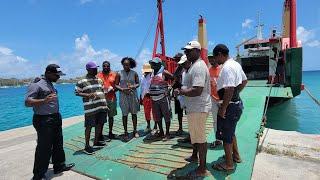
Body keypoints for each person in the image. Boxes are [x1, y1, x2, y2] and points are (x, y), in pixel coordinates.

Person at [25, 64, 74, 180]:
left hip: (55, 117)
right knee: (44, 148)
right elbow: (27, 102)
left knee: (58, 143)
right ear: (48, 73)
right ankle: (38, 175)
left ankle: (59, 166)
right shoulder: (36, 85)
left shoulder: (50, 83)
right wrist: (44, 100)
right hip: (43, 120)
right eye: (57, 75)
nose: (59, 77)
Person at [174, 41, 212, 177]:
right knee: (195, 137)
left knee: (200, 139)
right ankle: (195, 158)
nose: (186, 53)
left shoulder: (199, 67)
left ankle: (202, 169)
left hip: (199, 107)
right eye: (186, 51)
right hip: (193, 108)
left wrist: (181, 92)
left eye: (189, 51)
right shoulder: (193, 66)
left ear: (197, 51)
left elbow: (197, 90)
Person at [211, 44, 247, 172]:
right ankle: (236, 156)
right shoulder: (236, 64)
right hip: (235, 104)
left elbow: (230, 88)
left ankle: (229, 164)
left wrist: (223, 107)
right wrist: (236, 95)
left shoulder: (227, 67)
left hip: (230, 107)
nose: (215, 60)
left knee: (226, 136)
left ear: (220, 54)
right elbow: (244, 81)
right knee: (231, 133)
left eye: (215, 57)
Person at [75, 61, 108, 155]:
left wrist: (105, 105)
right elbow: (77, 92)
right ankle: (86, 146)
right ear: (88, 69)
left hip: (101, 107)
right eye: (93, 69)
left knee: (99, 124)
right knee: (89, 127)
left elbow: (102, 92)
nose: (96, 70)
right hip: (90, 109)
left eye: (96, 68)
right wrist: (88, 95)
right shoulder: (82, 81)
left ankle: (96, 142)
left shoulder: (99, 80)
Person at [115, 57, 140, 141]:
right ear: (122, 64)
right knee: (124, 114)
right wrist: (121, 89)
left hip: (133, 95)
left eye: (128, 64)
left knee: (134, 114)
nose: (126, 66)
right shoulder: (119, 73)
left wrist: (133, 86)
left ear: (130, 65)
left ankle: (135, 130)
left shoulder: (134, 73)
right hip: (123, 96)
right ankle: (125, 131)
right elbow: (116, 84)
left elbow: (138, 83)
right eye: (124, 64)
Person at [149, 57, 173, 141]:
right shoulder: (151, 73)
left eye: (155, 63)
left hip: (163, 97)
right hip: (154, 99)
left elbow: (174, 78)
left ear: (159, 64)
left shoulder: (164, 72)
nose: (153, 65)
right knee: (157, 116)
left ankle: (167, 133)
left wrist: (170, 88)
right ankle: (161, 132)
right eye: (152, 63)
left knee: (166, 115)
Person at [97, 60, 117, 140]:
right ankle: (100, 134)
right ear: (102, 67)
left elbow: (117, 86)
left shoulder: (114, 74)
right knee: (101, 117)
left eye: (107, 66)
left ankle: (110, 132)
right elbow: (96, 87)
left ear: (110, 66)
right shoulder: (98, 75)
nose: (106, 67)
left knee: (111, 117)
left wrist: (113, 89)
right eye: (104, 66)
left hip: (112, 98)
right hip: (101, 99)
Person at [208, 52, 223, 148]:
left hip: (222, 99)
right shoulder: (209, 70)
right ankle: (218, 139)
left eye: (212, 58)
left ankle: (226, 139)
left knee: (224, 120)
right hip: (213, 99)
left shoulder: (222, 69)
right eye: (209, 59)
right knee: (215, 120)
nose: (211, 61)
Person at [140, 63, 156, 133]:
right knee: (146, 112)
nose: (146, 72)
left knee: (155, 112)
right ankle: (148, 126)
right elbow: (142, 88)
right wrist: (141, 97)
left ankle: (155, 126)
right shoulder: (142, 77)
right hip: (145, 97)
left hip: (152, 96)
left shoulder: (153, 76)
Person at [172, 53, 185, 135]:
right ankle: (180, 127)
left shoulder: (186, 68)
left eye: (177, 59)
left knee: (188, 111)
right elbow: (175, 80)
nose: (176, 61)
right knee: (179, 112)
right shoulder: (177, 69)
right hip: (178, 93)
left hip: (186, 92)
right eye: (175, 59)